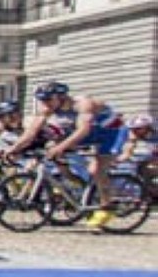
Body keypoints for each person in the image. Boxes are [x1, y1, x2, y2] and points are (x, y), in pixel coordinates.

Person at [10, 81, 126, 229]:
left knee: (96, 169)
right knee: (51, 147)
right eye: (42, 100)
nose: (45, 103)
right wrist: (12, 149)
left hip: (111, 132)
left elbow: (82, 130)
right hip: (90, 132)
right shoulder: (46, 108)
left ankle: (106, 205)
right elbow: (31, 133)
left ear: (61, 97)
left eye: (48, 99)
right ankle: (76, 184)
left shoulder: (84, 104)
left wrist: (60, 148)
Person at [117, 114, 156, 196]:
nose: (134, 131)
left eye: (138, 128)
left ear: (148, 127)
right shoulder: (129, 132)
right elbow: (126, 152)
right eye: (132, 129)